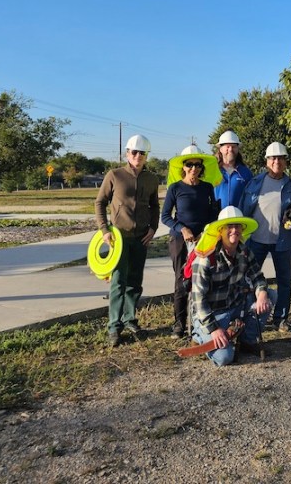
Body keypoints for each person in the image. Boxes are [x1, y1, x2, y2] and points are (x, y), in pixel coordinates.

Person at [94, 134, 160, 347]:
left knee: (135, 282)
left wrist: (153, 228)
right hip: (119, 239)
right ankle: (114, 326)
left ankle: (129, 319)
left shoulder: (151, 179)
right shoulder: (114, 175)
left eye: (142, 153)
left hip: (141, 238)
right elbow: (99, 203)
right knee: (118, 282)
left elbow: (154, 206)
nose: (138, 156)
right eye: (134, 152)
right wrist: (104, 229)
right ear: (127, 153)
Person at [190, 206, 276, 366]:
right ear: (220, 231)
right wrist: (214, 329)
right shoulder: (206, 258)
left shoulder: (245, 251)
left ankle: (247, 340)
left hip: (236, 306)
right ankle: (198, 335)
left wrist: (262, 293)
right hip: (212, 313)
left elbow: (258, 277)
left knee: (271, 295)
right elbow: (198, 300)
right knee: (224, 358)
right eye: (229, 226)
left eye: (237, 226)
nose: (234, 230)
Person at [239, 141, 291, 331]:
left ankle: (281, 318)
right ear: (267, 161)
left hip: (282, 242)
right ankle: (248, 315)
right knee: (248, 280)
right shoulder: (254, 183)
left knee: (284, 281)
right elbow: (244, 209)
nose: (276, 161)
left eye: (280, 158)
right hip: (256, 241)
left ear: (285, 161)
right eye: (273, 158)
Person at [161, 145, 220, 338]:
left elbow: (213, 214)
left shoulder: (207, 187)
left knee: (204, 278)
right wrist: (182, 228)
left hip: (204, 238)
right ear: (183, 167)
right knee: (181, 280)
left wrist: (207, 231)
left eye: (197, 165)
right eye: (189, 164)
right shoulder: (175, 188)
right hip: (181, 238)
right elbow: (165, 216)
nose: (194, 168)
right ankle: (179, 323)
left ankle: (201, 320)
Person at [213, 130, 253, 210]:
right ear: (221, 149)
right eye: (227, 146)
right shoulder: (213, 171)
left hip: (238, 219)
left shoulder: (246, 173)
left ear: (238, 149)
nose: (230, 149)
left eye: (234, 146)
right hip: (217, 220)